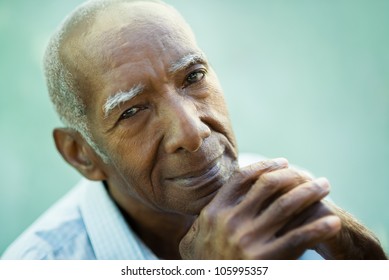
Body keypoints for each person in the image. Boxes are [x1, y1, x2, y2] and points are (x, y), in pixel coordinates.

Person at [2, 0, 387, 260]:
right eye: (133, 110)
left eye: (194, 76)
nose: (192, 132)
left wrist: (345, 240)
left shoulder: (278, 196)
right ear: (81, 154)